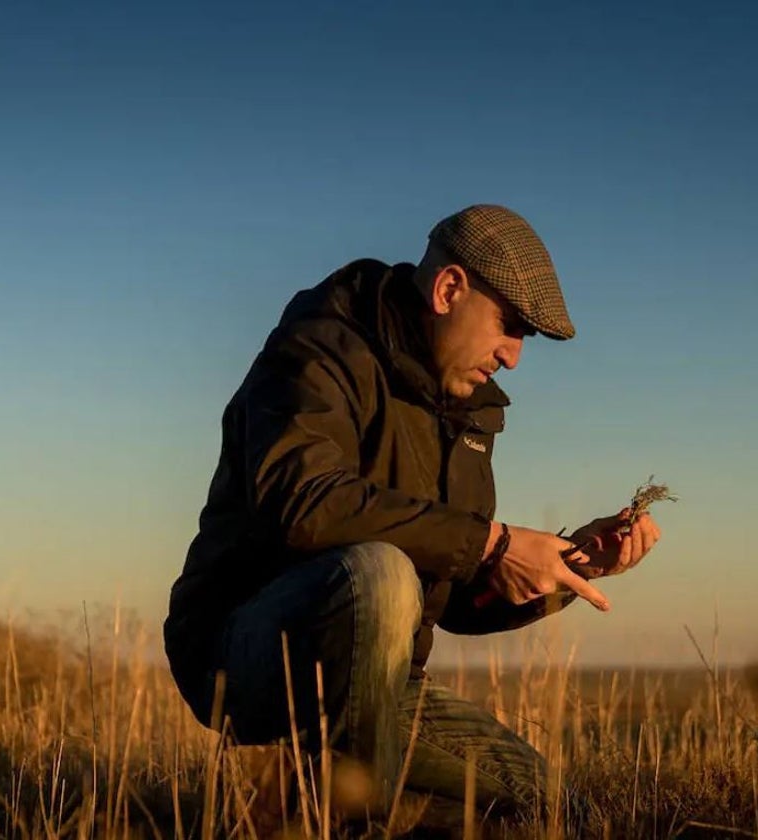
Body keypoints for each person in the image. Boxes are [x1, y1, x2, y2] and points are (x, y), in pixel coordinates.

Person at [163, 204, 662, 832]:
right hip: (245, 653)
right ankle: (347, 816)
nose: (513, 358)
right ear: (450, 288)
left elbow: (449, 598)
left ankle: (300, 803)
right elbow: (304, 502)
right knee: (380, 571)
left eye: (524, 340)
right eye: (509, 327)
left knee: (562, 815)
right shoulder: (321, 344)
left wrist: (566, 566)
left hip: (384, 691)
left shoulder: (471, 411)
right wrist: (492, 542)